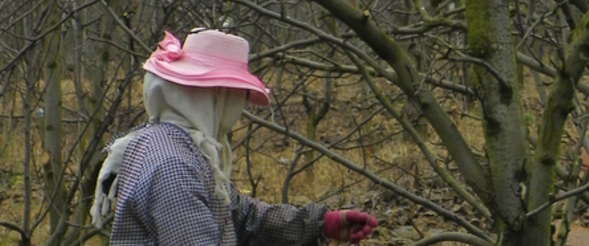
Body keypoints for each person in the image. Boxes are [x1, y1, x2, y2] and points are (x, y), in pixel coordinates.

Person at [91, 29, 379, 246]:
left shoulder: (175, 144)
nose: (239, 108)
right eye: (237, 95)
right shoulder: (174, 167)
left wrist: (319, 224)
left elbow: (242, 216)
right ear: (218, 96)